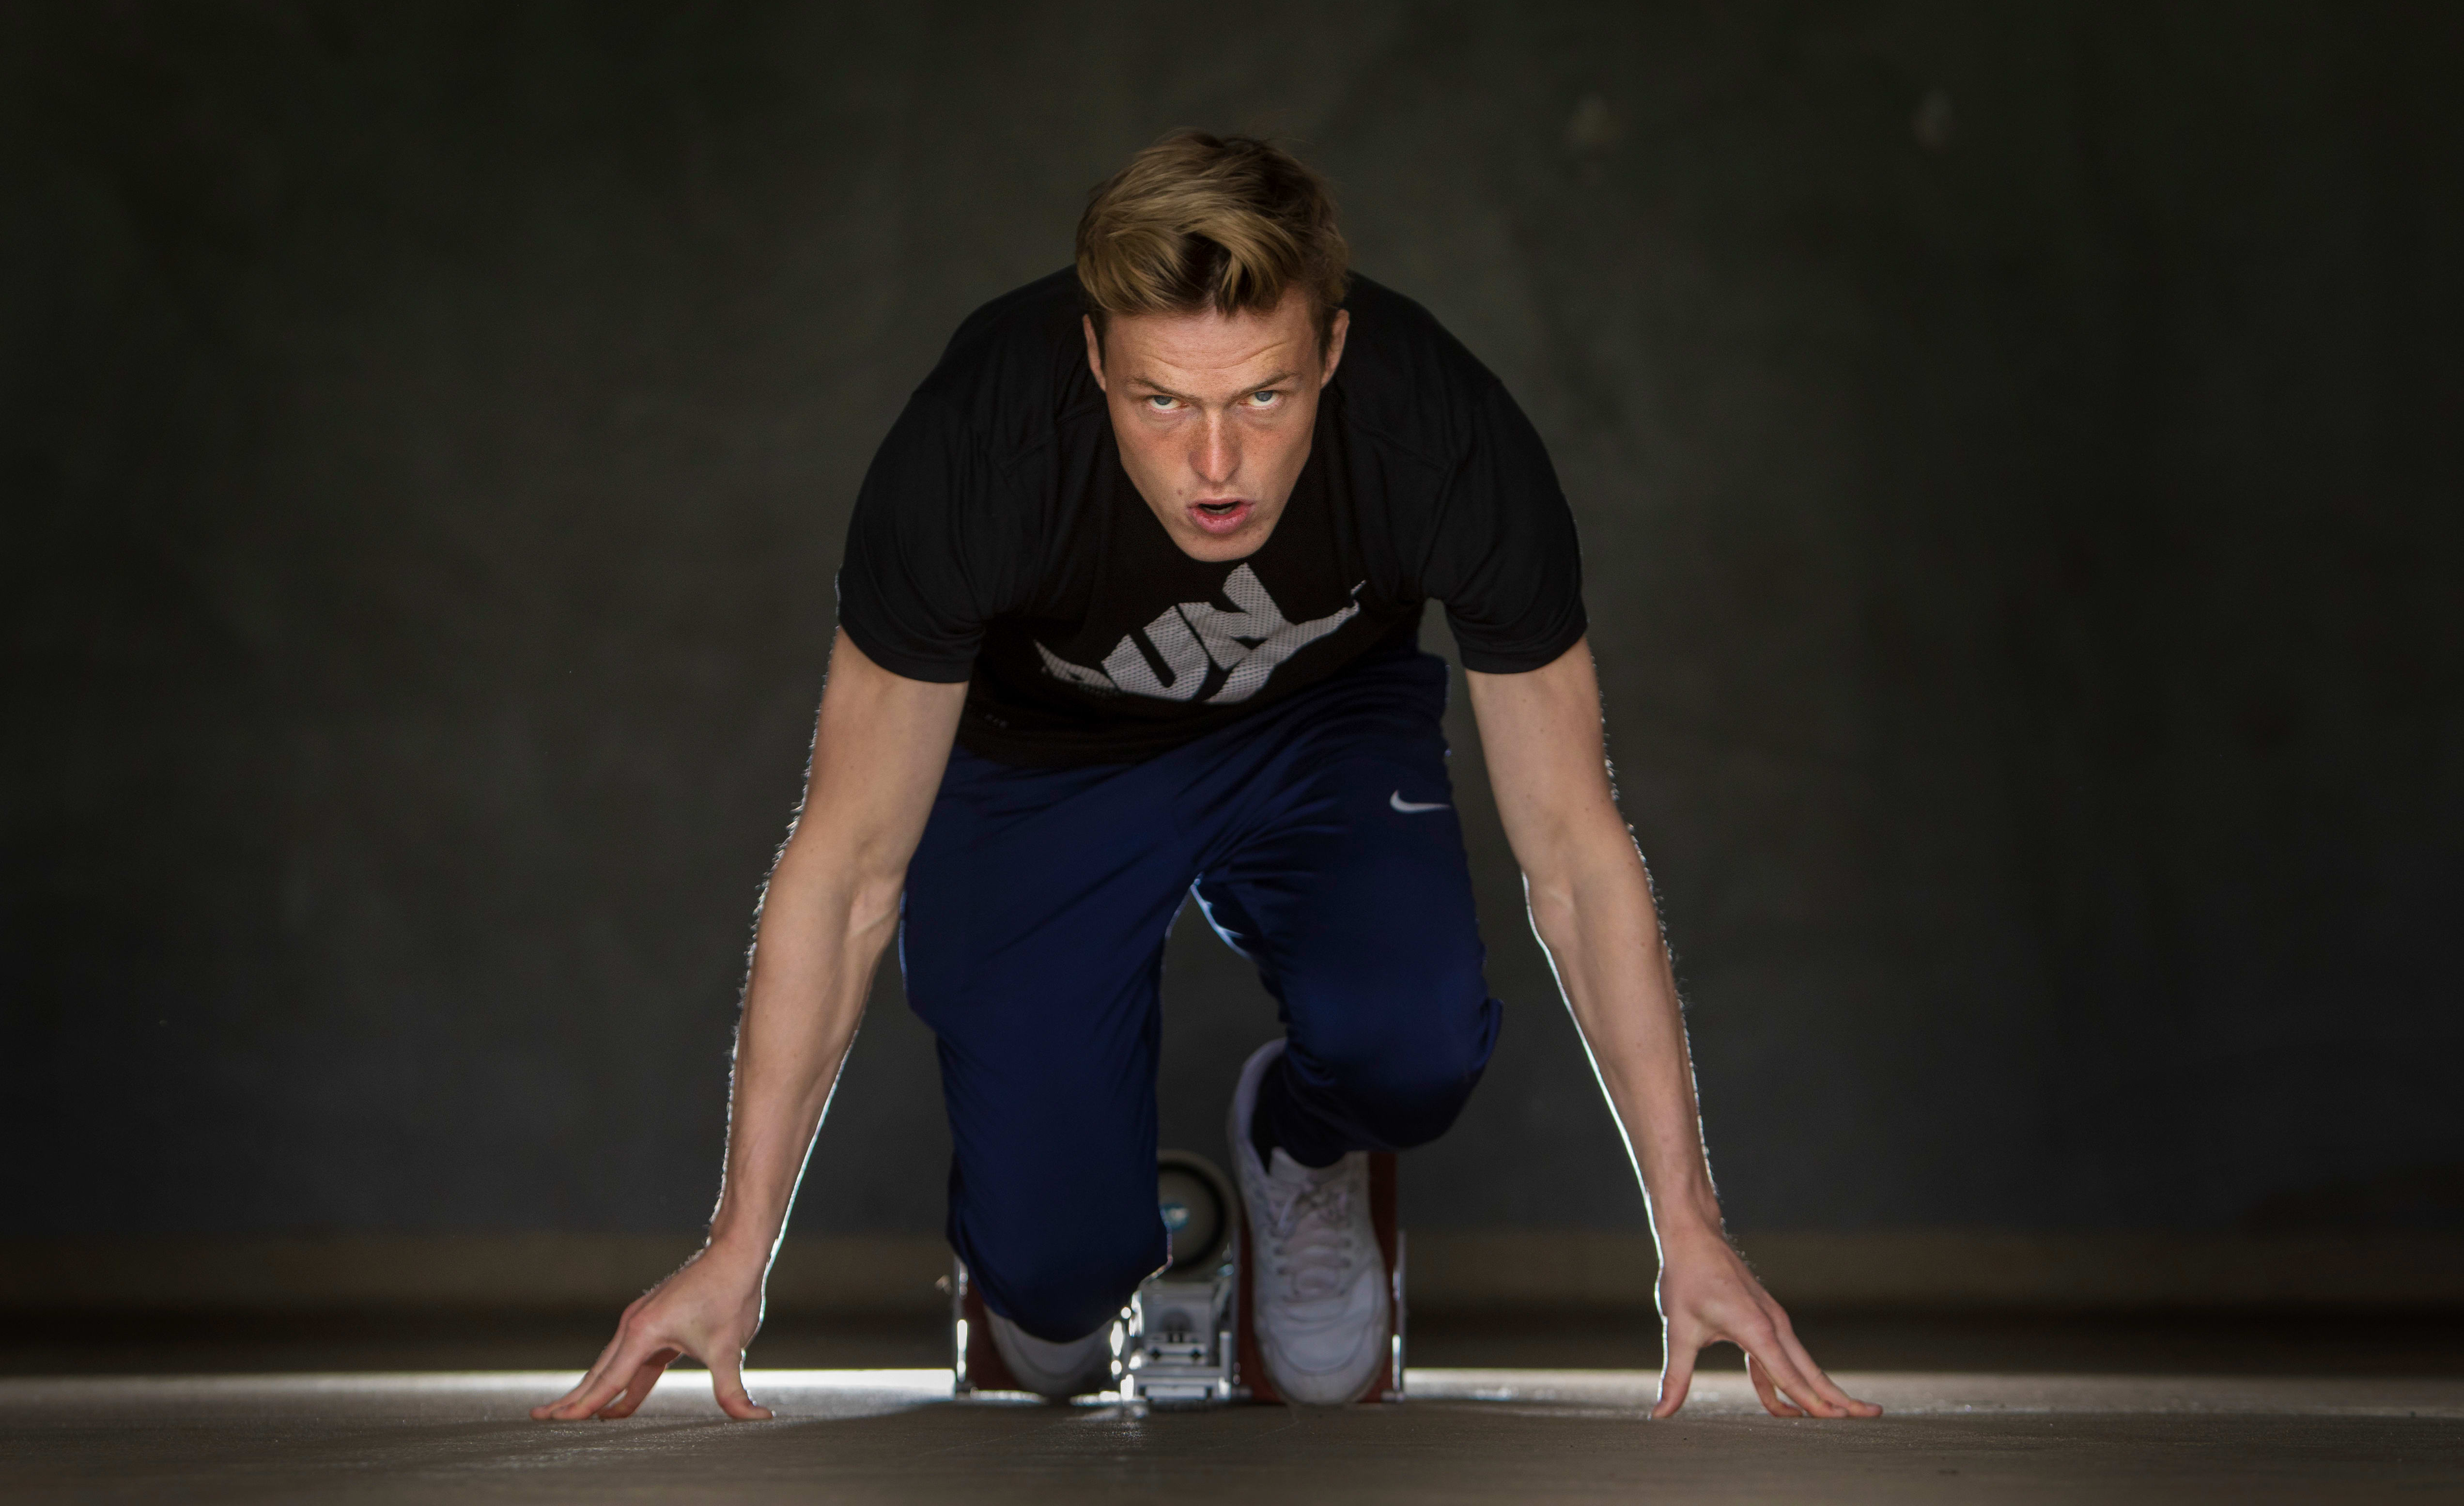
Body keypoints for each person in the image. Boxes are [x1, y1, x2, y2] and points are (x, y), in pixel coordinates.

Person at [533, 132, 1880, 1423]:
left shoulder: (1444, 436)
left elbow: (1578, 853)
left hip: (1319, 731)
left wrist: (1688, 1228)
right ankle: (1034, 1246)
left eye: (1264, 398)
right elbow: (845, 871)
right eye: (1162, 401)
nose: (1216, 466)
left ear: (1334, 351)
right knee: (1054, 1280)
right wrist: (740, 1247)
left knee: (1416, 1041)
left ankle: (1300, 1149)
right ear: (1093, 359)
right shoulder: (974, 452)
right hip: (1042, 762)